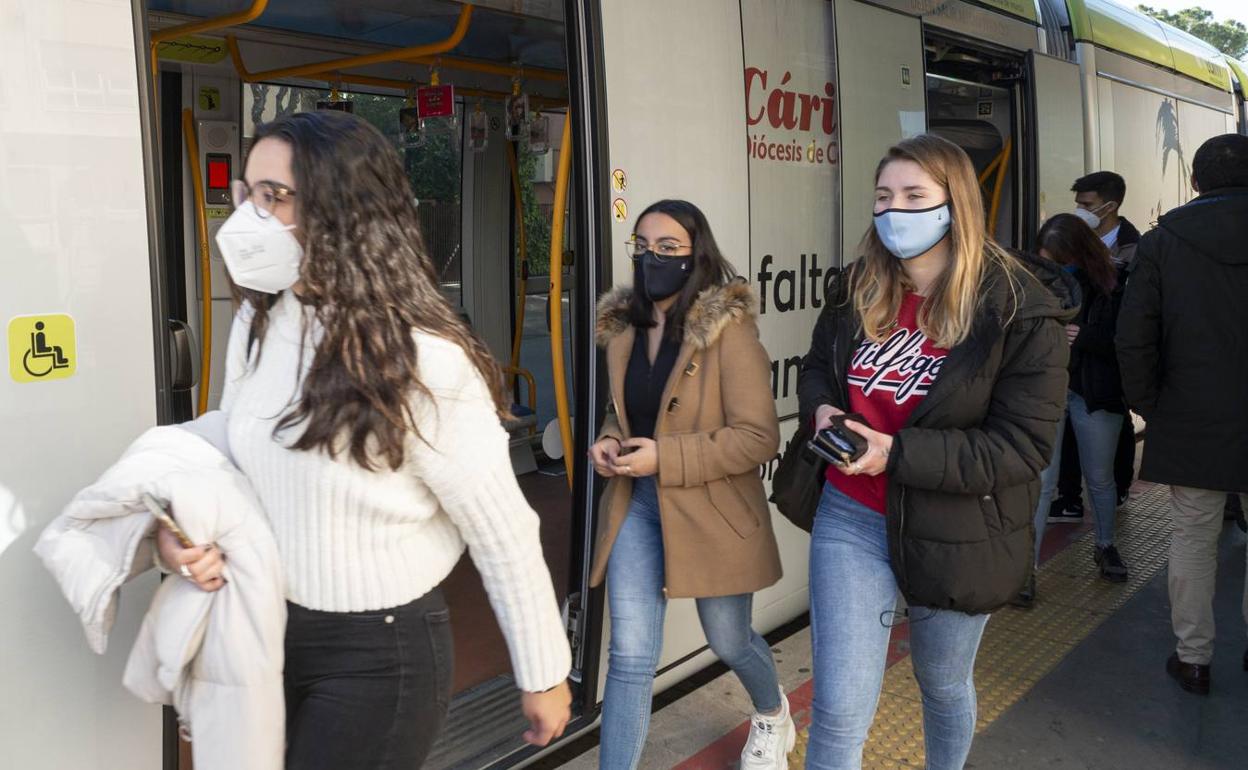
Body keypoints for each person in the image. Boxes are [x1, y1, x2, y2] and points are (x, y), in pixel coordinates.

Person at [155, 110, 572, 768]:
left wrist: (543, 674)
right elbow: (230, 461)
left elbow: (502, 531)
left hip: (380, 657)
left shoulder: (425, 358)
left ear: (341, 209)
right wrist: (176, 532)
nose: (248, 216)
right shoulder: (258, 326)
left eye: (274, 195)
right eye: (247, 192)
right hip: (266, 627)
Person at [795, 134, 1072, 769]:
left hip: (958, 527)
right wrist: (824, 409)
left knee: (942, 685)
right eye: (883, 196)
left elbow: (1022, 447)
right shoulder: (856, 288)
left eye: (915, 196)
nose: (895, 211)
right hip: (852, 515)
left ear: (957, 204)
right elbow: (817, 367)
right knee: (837, 710)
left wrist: (895, 453)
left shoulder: (1019, 310)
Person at [587, 200, 792, 769]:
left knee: (728, 640)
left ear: (695, 254)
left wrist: (665, 458)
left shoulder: (727, 329)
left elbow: (758, 437)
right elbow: (626, 411)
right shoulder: (627, 326)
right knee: (629, 657)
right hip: (638, 503)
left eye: (668, 247)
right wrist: (610, 438)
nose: (652, 257)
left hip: (712, 509)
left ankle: (772, 714)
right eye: (642, 245)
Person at [1116, 133, 1248, 696]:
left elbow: (1133, 337)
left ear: (1193, 182)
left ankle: (1194, 658)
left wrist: (1152, 406)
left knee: (1193, 537)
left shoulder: (1163, 240)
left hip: (1192, 412)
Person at [1018, 214, 1129, 606]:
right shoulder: (1032, 282)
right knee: (1041, 483)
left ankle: (1105, 545)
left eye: (1060, 260)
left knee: (1098, 478)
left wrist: (1084, 336)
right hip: (1045, 390)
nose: (1054, 268)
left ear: (1079, 254)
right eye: (1046, 259)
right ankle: (1025, 572)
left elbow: (1130, 340)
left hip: (1094, 390)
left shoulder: (1115, 282)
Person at [1052, 171, 1141, 522]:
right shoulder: (1073, 243)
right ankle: (1070, 497)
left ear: (1110, 206)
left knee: (1113, 428)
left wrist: (1086, 334)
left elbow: (1130, 322)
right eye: (1077, 204)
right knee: (1069, 434)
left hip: (1105, 363)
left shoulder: (1135, 251)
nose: (1080, 211)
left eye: (1086, 205)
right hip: (1073, 363)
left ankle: (1117, 494)